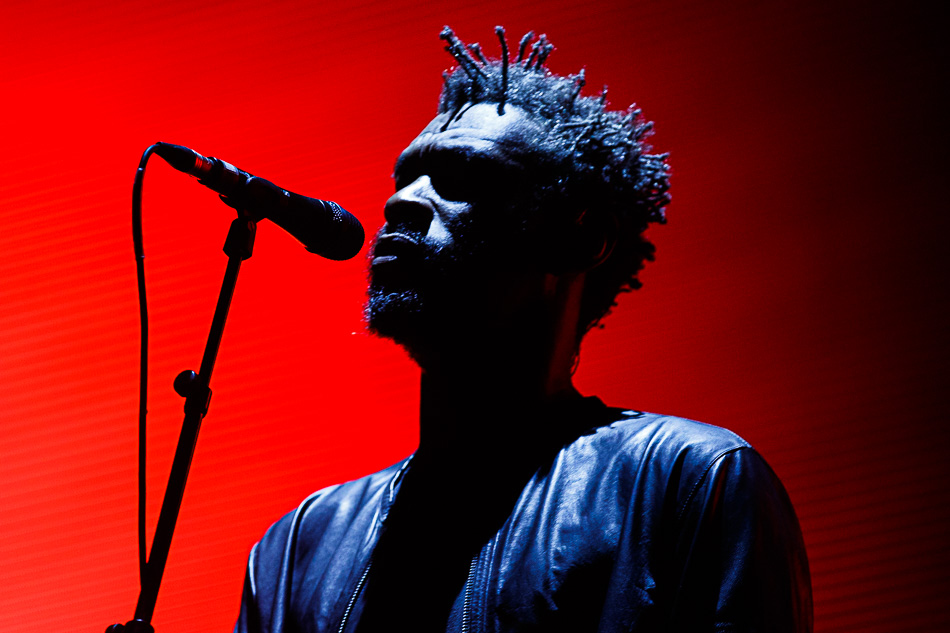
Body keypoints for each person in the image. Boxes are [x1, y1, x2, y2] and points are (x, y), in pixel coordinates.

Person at [235, 26, 812, 633]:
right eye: (404, 179)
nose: (402, 202)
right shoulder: (296, 551)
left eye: (463, 181)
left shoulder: (690, 481)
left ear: (582, 239)